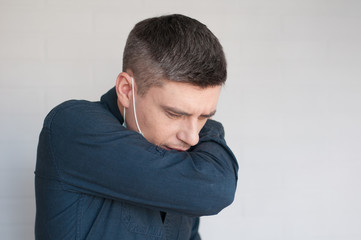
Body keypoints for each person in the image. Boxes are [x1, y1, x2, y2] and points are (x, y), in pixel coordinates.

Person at [35, 14, 238, 240]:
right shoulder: (72, 126)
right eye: (174, 113)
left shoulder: (185, 154)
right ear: (126, 90)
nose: (192, 138)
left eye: (204, 117)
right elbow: (215, 190)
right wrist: (214, 130)